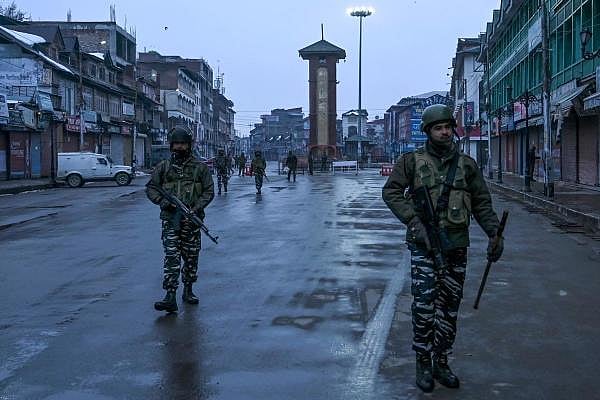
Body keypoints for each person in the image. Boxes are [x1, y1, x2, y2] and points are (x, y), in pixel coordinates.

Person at [382, 104, 504, 393]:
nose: (444, 131)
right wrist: (413, 220)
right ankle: (423, 361)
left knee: (449, 308)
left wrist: (494, 234)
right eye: (438, 128)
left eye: (448, 126)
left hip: (456, 247)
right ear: (428, 131)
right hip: (425, 247)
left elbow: (481, 203)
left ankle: (442, 361)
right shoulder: (411, 161)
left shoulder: (466, 165)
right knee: (424, 306)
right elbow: (391, 191)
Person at [145, 126, 215, 313]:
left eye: (183, 144)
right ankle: (170, 295)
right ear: (171, 145)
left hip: (191, 222)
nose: (180, 147)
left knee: (191, 258)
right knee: (171, 257)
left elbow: (209, 191)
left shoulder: (200, 168)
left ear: (189, 145)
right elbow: (151, 188)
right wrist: (163, 202)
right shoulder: (164, 167)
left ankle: (188, 290)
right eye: (176, 144)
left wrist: (196, 207)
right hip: (170, 221)